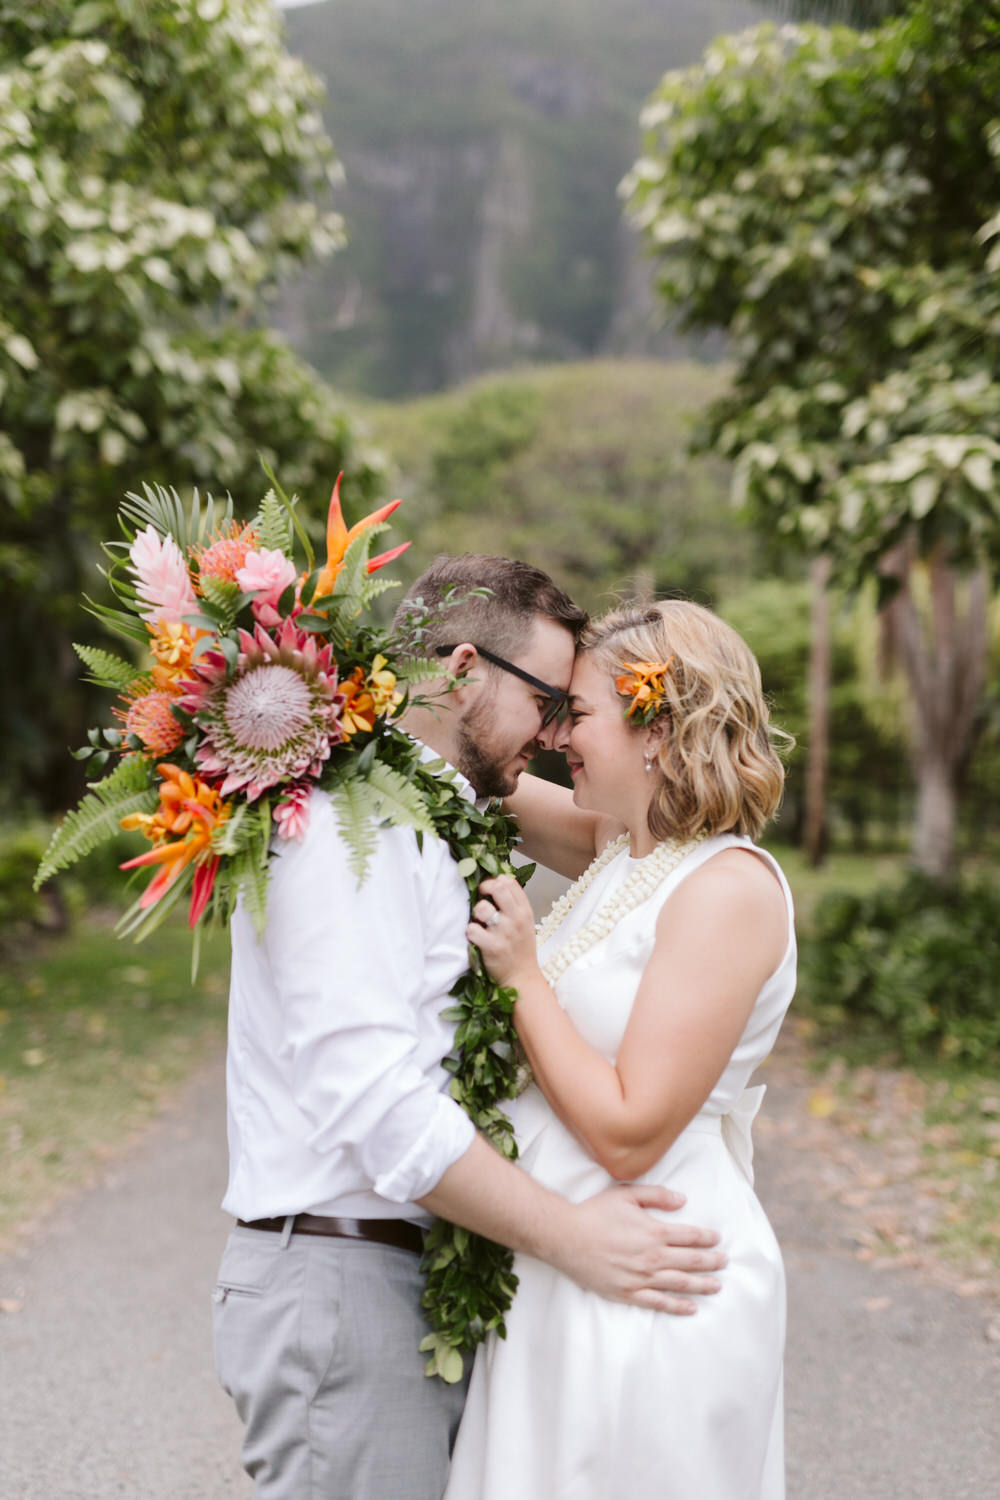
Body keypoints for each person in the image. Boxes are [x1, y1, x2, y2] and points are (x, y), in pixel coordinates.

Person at [212, 558, 727, 1500]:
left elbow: (633, 835)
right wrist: (573, 1238)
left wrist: (665, 739)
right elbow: (378, 1106)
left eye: (576, 712)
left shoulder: (434, 810)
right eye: (547, 702)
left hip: (393, 1276)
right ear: (459, 669)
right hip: (341, 1270)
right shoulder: (345, 826)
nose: (557, 732)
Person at [446, 598, 796, 1500]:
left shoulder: (728, 889)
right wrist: (330, 698)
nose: (558, 735)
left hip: (653, 1273)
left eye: (580, 713)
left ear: (659, 728)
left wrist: (521, 972)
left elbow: (631, 1132)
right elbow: (458, 759)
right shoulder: (620, 847)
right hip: (565, 1264)